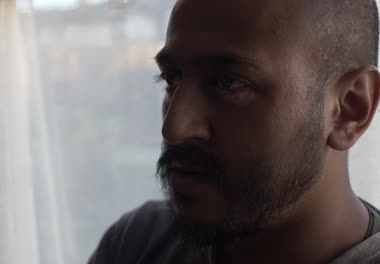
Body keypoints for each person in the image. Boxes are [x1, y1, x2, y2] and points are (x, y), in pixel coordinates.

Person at [88, 0, 380, 263]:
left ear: (349, 108)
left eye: (228, 83)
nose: (173, 129)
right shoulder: (138, 242)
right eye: (171, 78)